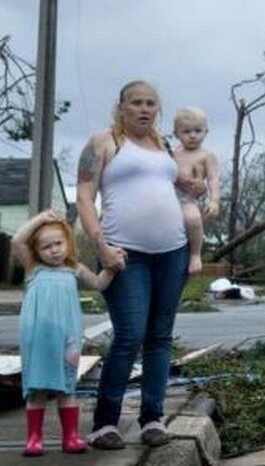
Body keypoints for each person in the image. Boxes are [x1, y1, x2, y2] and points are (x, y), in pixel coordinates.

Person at [75, 80, 204, 450]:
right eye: (137, 103)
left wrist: (194, 188)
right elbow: (85, 197)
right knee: (129, 335)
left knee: (160, 338)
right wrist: (101, 246)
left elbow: (169, 183)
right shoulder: (103, 142)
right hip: (124, 254)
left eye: (150, 104)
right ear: (122, 107)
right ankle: (105, 423)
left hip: (173, 252)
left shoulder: (163, 145)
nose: (144, 109)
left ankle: (152, 418)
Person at [12, 209, 116, 457]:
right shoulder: (33, 269)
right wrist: (41, 219)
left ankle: (70, 437)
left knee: (66, 388)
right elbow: (17, 240)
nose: (54, 250)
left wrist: (111, 269)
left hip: (67, 337)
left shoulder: (75, 270)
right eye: (46, 246)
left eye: (58, 243)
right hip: (37, 339)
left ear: (68, 243)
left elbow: (99, 283)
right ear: (37, 252)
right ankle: (34, 439)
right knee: (36, 389)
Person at [171, 107, 221, 274]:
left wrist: (214, 201)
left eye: (198, 131)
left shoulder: (207, 155)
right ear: (176, 133)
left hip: (187, 198)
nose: (192, 135)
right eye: (186, 131)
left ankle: (195, 254)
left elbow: (213, 179)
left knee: (193, 219)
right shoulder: (172, 153)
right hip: (168, 197)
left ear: (206, 131)